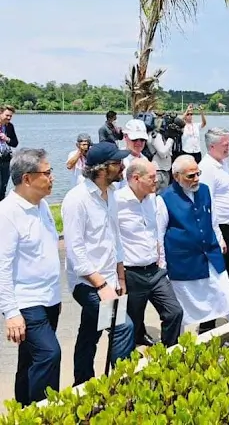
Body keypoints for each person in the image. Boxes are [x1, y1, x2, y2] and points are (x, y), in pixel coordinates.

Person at [61, 142, 135, 385]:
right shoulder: (77, 199)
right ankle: (122, 387)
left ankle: (82, 383)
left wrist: (120, 277)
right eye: (117, 163)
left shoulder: (111, 194)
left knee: (90, 333)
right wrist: (102, 285)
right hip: (88, 283)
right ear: (103, 169)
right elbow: (75, 251)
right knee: (123, 326)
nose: (123, 166)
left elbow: (115, 239)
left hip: (110, 279)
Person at [0, 149, 61, 406]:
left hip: (51, 297)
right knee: (49, 354)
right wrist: (10, 311)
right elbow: (1, 266)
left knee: (31, 359)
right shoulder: (7, 213)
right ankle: (44, 412)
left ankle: (23, 410)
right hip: (27, 301)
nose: (52, 178)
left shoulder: (42, 205)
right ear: (27, 178)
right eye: (47, 173)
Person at [156, 155, 229, 333]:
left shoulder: (205, 190)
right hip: (183, 263)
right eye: (190, 176)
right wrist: (162, 264)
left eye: (197, 174)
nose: (196, 179)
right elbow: (159, 234)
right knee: (181, 312)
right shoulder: (164, 198)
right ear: (176, 176)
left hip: (211, 255)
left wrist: (220, 239)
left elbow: (213, 219)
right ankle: (176, 350)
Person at [115, 159, 183, 347]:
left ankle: (169, 354)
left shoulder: (153, 200)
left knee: (174, 312)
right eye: (152, 177)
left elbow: (157, 232)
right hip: (132, 273)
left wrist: (161, 261)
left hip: (155, 270)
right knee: (133, 322)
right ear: (136, 178)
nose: (157, 181)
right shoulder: (116, 202)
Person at [198, 128, 229, 313]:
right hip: (218, 231)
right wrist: (217, 235)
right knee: (218, 280)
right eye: (226, 145)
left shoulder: (222, 163)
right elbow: (206, 204)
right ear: (212, 146)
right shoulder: (207, 168)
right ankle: (209, 325)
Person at [118, 119, 150, 189]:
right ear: (125, 137)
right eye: (134, 139)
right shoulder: (117, 160)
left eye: (142, 139)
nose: (138, 143)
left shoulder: (145, 160)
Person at [0, 105, 19, 201]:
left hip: (5, 160)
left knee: (3, 187)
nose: (9, 118)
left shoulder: (10, 126)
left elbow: (15, 143)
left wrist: (6, 138)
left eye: (11, 116)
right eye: (7, 115)